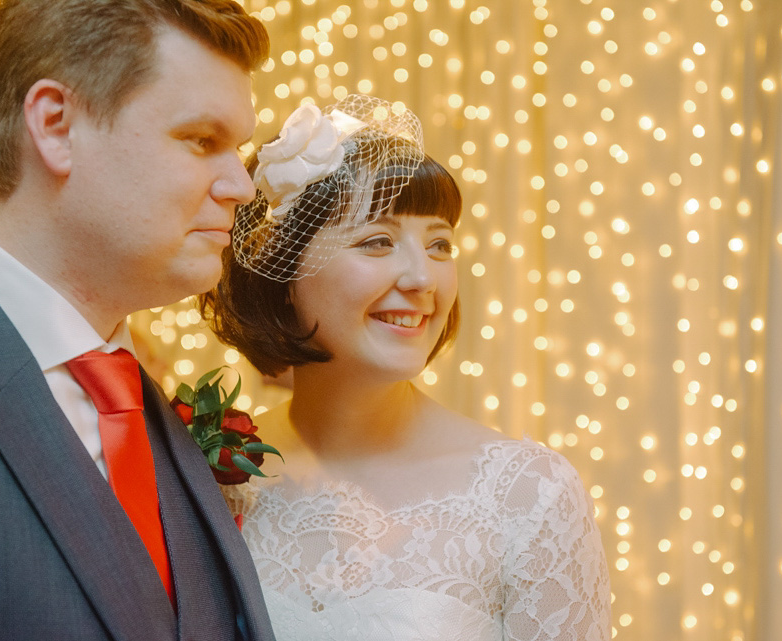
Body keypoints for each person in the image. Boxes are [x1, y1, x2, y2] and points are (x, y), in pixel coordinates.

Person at [202, 94, 612, 640]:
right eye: (378, 242)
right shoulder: (213, 472)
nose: (423, 278)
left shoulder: (529, 495)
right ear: (284, 273)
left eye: (440, 244)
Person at [0, 1, 276, 639]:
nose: (241, 186)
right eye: (203, 140)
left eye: (238, 149)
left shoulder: (144, 401)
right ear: (57, 126)